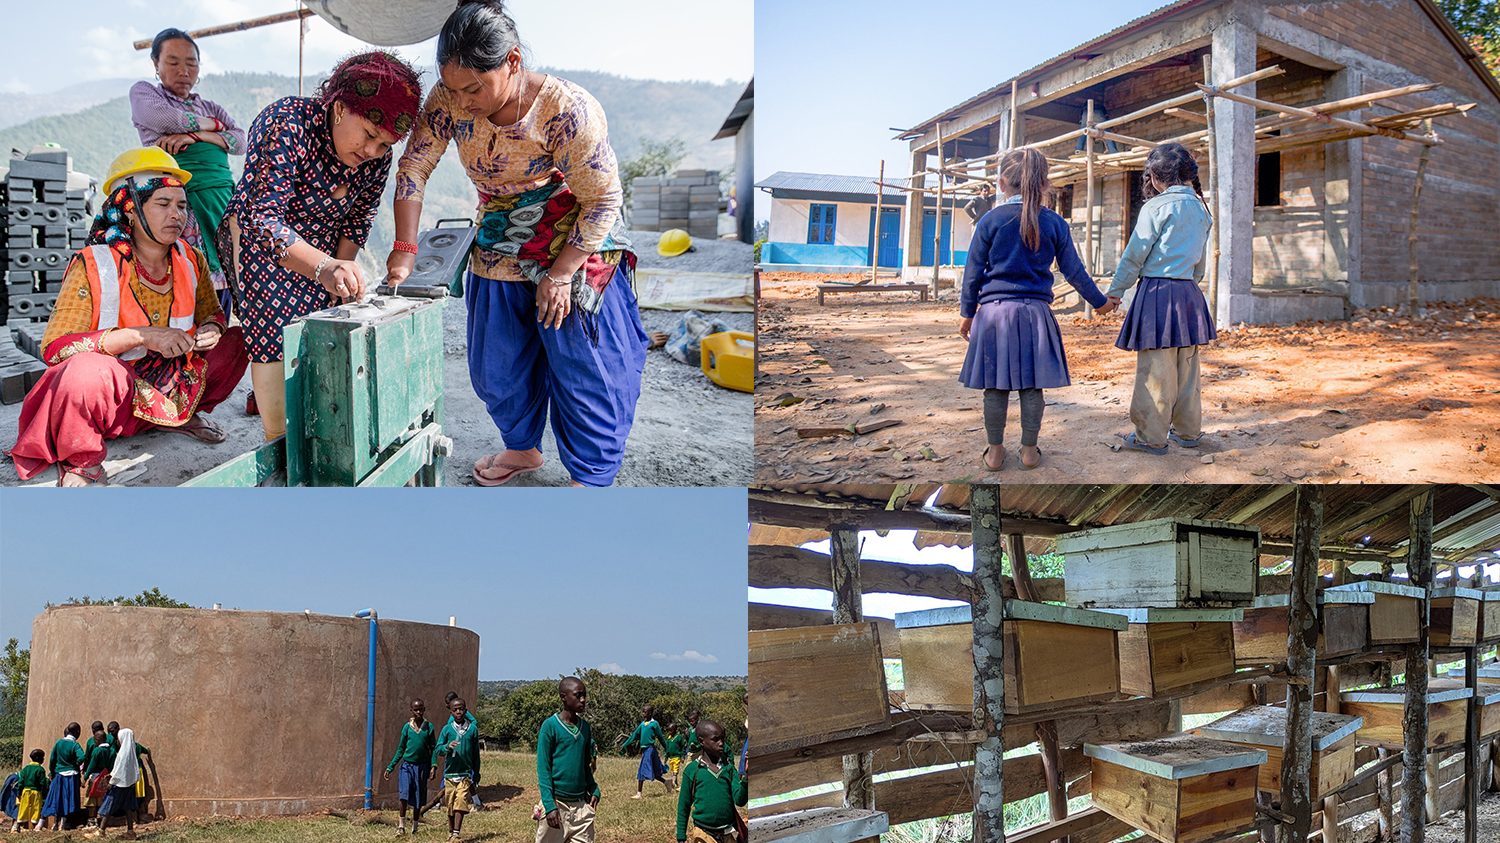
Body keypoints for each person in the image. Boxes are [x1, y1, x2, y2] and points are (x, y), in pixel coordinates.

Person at [390, 0, 649, 488]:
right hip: (500, 235)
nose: (463, 101)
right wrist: (405, 250)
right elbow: (415, 167)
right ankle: (523, 449)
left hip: (577, 236)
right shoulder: (448, 99)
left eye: (474, 88)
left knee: (585, 366)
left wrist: (562, 273)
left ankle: (591, 478)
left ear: (511, 62)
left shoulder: (566, 110)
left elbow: (603, 199)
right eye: (453, 88)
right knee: (496, 364)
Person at [7, 148, 248, 486]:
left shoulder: (191, 257)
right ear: (131, 210)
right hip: (114, 392)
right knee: (83, 372)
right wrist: (141, 336)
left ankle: (180, 417)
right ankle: (84, 458)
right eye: (162, 204)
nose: (176, 215)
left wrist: (212, 327)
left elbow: (212, 313)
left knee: (239, 340)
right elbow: (55, 350)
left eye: (181, 205)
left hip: (173, 380)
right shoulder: (93, 262)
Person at [219, 51, 422, 443]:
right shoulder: (287, 123)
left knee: (323, 325)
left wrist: (337, 277)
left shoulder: (376, 162)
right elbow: (263, 218)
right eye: (368, 136)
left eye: (384, 145)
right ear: (342, 107)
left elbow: (357, 219)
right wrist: (324, 267)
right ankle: (278, 441)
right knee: (272, 331)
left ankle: (310, 418)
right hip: (260, 236)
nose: (372, 152)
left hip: (324, 244)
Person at [958, 146, 1116, 472]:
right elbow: (1074, 271)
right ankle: (1029, 452)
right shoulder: (1055, 223)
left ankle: (995, 452)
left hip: (993, 314)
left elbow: (972, 272)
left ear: (1002, 183)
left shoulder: (989, 220)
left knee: (996, 386)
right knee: (1032, 386)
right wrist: (1100, 303)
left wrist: (967, 312)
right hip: (1036, 315)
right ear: (1044, 184)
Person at [1104, 142, 1215, 456]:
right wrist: (1188, 287)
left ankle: (1151, 437)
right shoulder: (1201, 208)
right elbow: (1200, 265)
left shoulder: (1156, 208)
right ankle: (1189, 432)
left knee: (1156, 371)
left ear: (1154, 176)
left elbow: (1133, 257)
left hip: (1158, 295)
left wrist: (1115, 292)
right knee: (1188, 370)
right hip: (1190, 295)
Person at [130, 28, 245, 321]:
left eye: (191, 63)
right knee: (185, 279)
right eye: (173, 62)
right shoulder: (145, 94)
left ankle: (216, 351)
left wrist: (194, 137)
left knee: (225, 282)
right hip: (179, 204)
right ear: (156, 64)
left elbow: (240, 141)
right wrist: (214, 128)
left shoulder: (210, 105)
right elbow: (167, 119)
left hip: (221, 201)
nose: (184, 70)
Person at [535, 677, 600, 843]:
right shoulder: (550, 726)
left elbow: (585, 766)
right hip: (557, 804)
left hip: (580, 807)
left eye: (584, 695)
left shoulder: (585, 728)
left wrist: (593, 788)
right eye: (578, 695)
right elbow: (544, 769)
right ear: (564, 697)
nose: (583, 700)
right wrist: (549, 806)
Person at [675, 720, 748, 843]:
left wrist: (747, 777)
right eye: (716, 739)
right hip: (703, 834)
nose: (721, 743)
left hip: (727, 833)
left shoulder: (728, 768)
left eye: (723, 739)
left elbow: (740, 801)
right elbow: (684, 805)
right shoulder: (693, 770)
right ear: (701, 741)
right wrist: (681, 837)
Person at [384, 698, 437, 835]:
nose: (418, 711)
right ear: (411, 710)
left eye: (421, 709)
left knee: (418, 797)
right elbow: (401, 749)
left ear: (424, 710)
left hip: (422, 767)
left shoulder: (429, 727)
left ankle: (415, 826)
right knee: (404, 794)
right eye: (416, 709)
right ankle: (401, 825)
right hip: (407, 766)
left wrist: (433, 766)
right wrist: (391, 767)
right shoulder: (407, 727)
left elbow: (433, 749)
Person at [434, 697, 480, 840]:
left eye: (461, 709)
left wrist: (476, 772)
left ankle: (456, 833)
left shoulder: (472, 729)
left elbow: (475, 754)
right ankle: (450, 830)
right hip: (450, 774)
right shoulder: (447, 729)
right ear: (451, 711)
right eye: (455, 710)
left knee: (460, 800)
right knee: (450, 804)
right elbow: (438, 749)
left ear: (466, 710)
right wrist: (447, 747)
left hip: (464, 773)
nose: (459, 712)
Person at [91, 728, 141, 838]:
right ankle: (130, 831)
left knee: (109, 805)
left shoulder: (123, 754)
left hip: (119, 785)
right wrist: (112, 774)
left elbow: (120, 769)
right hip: (128, 784)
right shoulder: (131, 752)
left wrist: (112, 781)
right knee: (128, 808)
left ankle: (101, 831)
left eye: (119, 739)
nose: (118, 741)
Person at [39, 722, 83, 830]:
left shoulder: (58, 743)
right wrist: (75, 764)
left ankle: (55, 822)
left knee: (57, 798)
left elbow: (52, 760)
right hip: (71, 776)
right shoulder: (75, 745)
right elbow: (82, 757)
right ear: (77, 732)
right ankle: (63, 822)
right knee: (68, 799)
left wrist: (53, 772)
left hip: (59, 775)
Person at [623, 705, 671, 798]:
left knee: (642, 770)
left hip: (650, 749)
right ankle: (666, 782)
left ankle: (639, 793)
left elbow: (660, 737)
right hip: (645, 750)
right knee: (654, 771)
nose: (643, 714)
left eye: (645, 712)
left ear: (650, 713)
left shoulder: (654, 724)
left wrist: (667, 749)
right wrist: (625, 744)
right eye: (643, 711)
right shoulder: (642, 724)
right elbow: (634, 736)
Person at [82, 726, 114, 824]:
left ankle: (91, 820)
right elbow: (112, 765)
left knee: (91, 798)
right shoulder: (112, 751)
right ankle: (101, 819)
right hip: (106, 777)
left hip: (95, 778)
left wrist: (85, 777)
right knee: (102, 798)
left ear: (98, 739)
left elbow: (92, 765)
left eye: (95, 739)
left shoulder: (97, 751)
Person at [11, 750, 47, 832]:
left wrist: (19, 793)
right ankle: (35, 826)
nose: (43, 759)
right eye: (42, 758)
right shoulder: (40, 769)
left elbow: (21, 782)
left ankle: (17, 826)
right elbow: (43, 783)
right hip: (36, 792)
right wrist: (44, 793)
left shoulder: (25, 769)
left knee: (23, 808)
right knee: (36, 808)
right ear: (39, 758)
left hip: (25, 791)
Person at [663, 720, 687, 788]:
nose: (670, 732)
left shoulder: (679, 737)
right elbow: (667, 749)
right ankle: (676, 784)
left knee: (675, 771)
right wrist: (666, 758)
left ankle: (673, 783)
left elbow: (683, 747)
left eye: (671, 730)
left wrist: (682, 756)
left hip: (677, 757)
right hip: (671, 758)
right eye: (669, 730)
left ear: (675, 730)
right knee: (673, 770)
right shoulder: (669, 738)